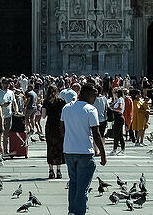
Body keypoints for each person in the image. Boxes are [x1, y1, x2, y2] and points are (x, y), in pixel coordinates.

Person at [60, 83, 106, 215]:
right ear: (86, 94)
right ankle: (79, 212)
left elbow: (62, 129)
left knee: (73, 183)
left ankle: (72, 211)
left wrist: (71, 138)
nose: (95, 98)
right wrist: (103, 154)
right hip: (85, 152)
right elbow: (96, 134)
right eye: (94, 95)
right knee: (83, 187)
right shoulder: (90, 109)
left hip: (69, 151)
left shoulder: (66, 108)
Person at [42, 84, 65, 180]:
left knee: (50, 147)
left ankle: (51, 171)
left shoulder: (46, 102)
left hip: (50, 125)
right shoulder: (61, 101)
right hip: (59, 125)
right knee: (59, 147)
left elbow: (43, 115)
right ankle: (59, 170)